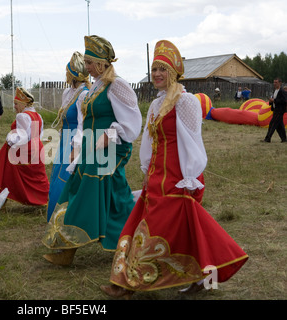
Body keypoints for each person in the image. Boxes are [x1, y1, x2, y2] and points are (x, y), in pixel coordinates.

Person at [100, 40, 248, 299]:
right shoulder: (156, 105)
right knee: (162, 228)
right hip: (157, 177)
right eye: (154, 69)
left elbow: (192, 141)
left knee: (154, 228)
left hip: (178, 178)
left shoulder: (186, 101)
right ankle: (198, 277)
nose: (157, 74)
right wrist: (146, 169)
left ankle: (128, 284)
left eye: (163, 69)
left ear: (175, 73)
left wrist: (190, 178)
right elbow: (149, 140)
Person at [41, 35, 142, 266]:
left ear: (101, 62)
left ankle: (71, 250)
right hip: (92, 146)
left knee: (88, 191)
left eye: (89, 62)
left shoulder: (118, 85)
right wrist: (78, 146)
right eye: (85, 62)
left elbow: (131, 124)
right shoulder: (96, 86)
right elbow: (85, 121)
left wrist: (105, 138)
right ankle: (128, 241)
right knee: (111, 196)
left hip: (112, 149)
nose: (86, 68)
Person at [0, 87, 49, 206]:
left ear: (23, 104)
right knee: (37, 175)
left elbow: (22, 137)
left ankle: (7, 197)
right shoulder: (37, 115)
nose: (14, 106)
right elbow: (39, 134)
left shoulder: (22, 116)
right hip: (37, 148)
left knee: (8, 173)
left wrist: (10, 139)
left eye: (16, 103)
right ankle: (42, 199)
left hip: (25, 150)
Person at [47, 52, 91, 221]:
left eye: (67, 71)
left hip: (74, 142)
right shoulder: (68, 92)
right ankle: (55, 221)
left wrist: (76, 147)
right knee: (57, 179)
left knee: (65, 181)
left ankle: (65, 222)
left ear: (74, 74)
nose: (65, 74)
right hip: (64, 140)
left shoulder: (83, 95)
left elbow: (82, 123)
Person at [262, 78, 286, 143]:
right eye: (274, 82)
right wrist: (271, 101)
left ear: (280, 83)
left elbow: (284, 101)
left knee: (272, 124)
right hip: (275, 110)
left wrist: (274, 100)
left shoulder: (282, 91)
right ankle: (284, 139)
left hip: (279, 111)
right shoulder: (275, 91)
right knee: (279, 126)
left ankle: (267, 139)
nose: (274, 84)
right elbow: (274, 99)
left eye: (276, 82)